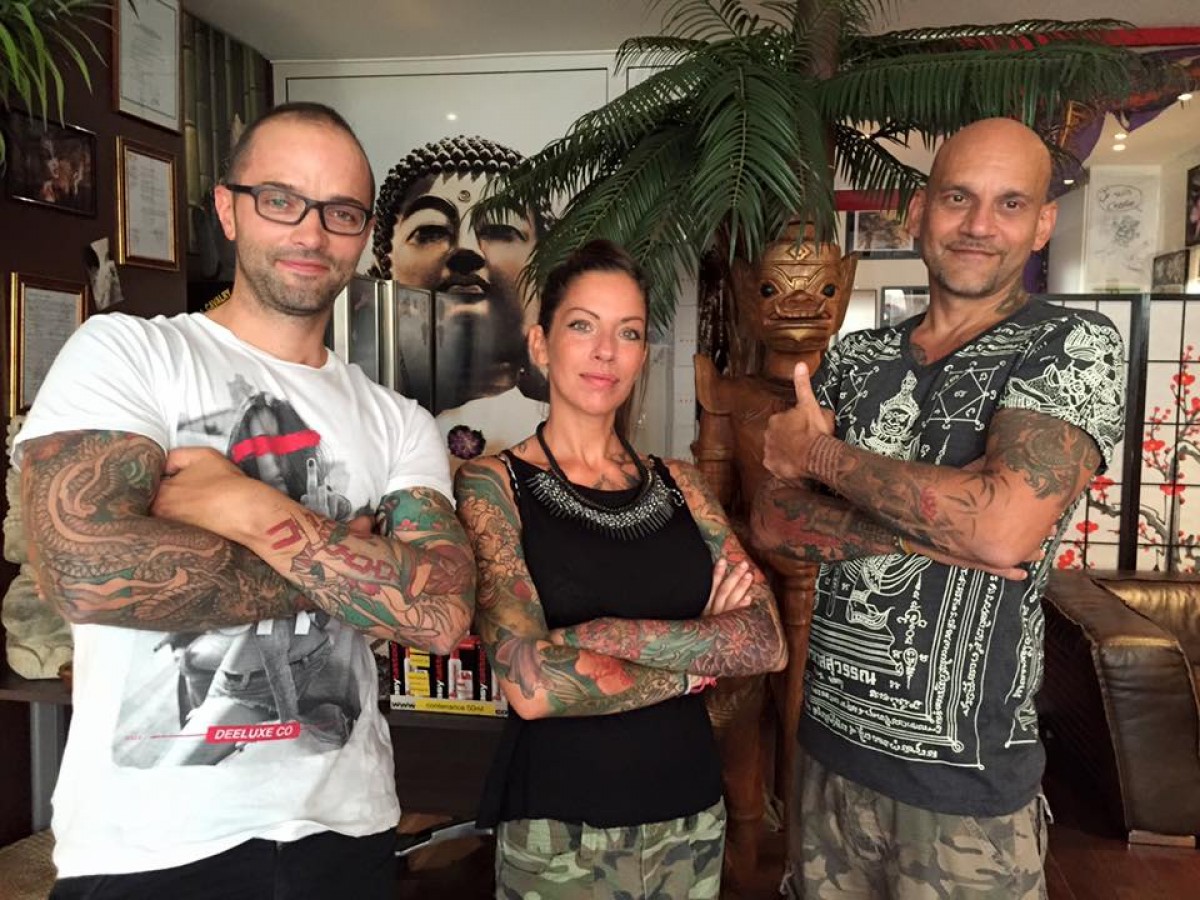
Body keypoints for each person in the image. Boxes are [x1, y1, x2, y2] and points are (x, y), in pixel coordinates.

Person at [16, 101, 476, 899]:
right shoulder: (130, 353)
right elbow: (83, 571)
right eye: (280, 199)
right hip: (150, 851)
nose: (311, 232)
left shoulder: (398, 420)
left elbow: (438, 614)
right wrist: (346, 559)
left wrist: (245, 508)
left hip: (346, 837)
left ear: (364, 234)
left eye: (340, 211)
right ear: (229, 209)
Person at [752, 117, 1126, 898]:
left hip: (966, 790)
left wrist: (820, 457)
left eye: (1010, 203)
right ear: (920, 212)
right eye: (958, 197)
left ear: (1042, 224)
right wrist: (929, 535)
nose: (979, 225)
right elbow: (773, 521)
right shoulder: (856, 358)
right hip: (828, 756)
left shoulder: (1069, 346)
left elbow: (1002, 527)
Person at [454, 240, 788, 899]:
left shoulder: (684, 485)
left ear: (642, 355)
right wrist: (698, 655)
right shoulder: (493, 486)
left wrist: (595, 636)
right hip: (560, 831)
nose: (606, 351)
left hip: (690, 817)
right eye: (583, 326)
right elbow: (532, 684)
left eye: (628, 332)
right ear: (541, 344)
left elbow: (766, 641)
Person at [370, 135, 549, 461]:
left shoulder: (555, 430)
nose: (466, 249)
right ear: (383, 269)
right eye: (431, 231)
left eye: (499, 229)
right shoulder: (366, 419)